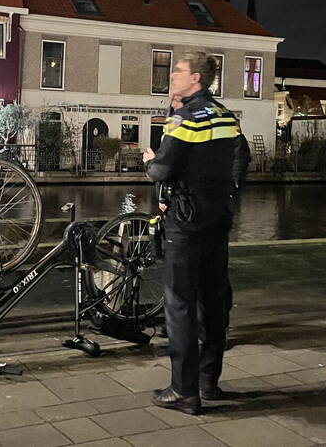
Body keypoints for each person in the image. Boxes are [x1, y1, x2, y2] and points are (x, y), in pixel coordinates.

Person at [143, 51, 250, 414]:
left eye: (179, 73)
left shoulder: (184, 119)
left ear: (196, 80)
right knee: (213, 299)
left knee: (180, 303)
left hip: (185, 219)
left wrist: (148, 162)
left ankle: (184, 390)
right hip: (218, 216)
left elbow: (162, 170)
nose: (173, 77)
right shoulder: (226, 116)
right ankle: (209, 381)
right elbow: (236, 158)